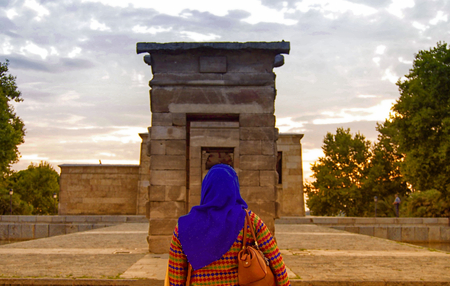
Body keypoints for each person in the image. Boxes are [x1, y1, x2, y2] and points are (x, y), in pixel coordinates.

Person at [168, 164, 290, 286]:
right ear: (234, 188)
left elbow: (176, 274)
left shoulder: (184, 226)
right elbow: (276, 262)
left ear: (206, 188)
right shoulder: (249, 220)